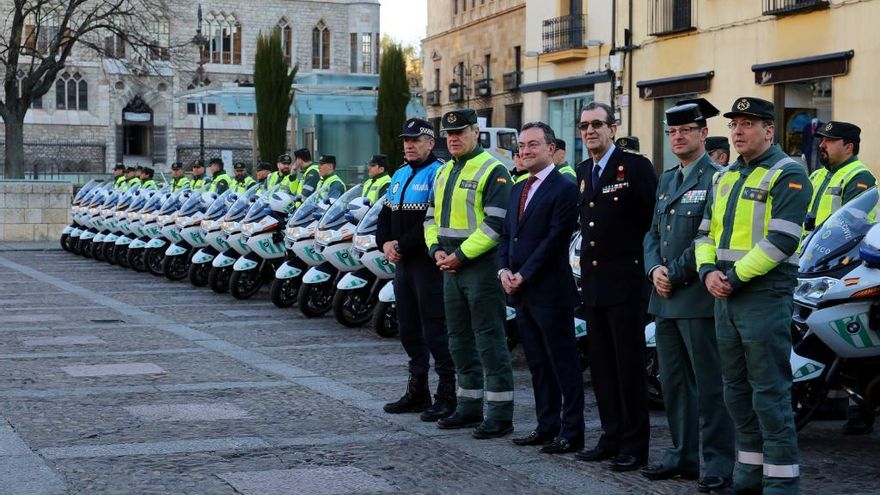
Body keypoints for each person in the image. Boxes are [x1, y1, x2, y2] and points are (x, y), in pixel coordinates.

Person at [695, 97, 811, 495]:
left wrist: (732, 278)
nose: (739, 131)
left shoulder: (789, 173)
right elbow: (704, 234)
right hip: (726, 294)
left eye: (748, 123)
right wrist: (708, 272)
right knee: (736, 390)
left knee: (769, 390)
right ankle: (748, 475)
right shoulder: (724, 176)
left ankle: (781, 482)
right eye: (735, 125)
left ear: (769, 130)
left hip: (763, 293)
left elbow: (782, 239)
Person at [642, 99, 735, 493]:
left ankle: (717, 462)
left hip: (696, 297)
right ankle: (682, 454)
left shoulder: (716, 178)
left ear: (702, 134)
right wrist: (653, 269)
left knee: (710, 386)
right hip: (664, 299)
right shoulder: (666, 180)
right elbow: (651, 234)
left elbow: (707, 238)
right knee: (674, 384)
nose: (678, 138)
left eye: (686, 131)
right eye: (672, 132)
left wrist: (672, 273)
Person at [574, 101, 656, 472]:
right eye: (584, 126)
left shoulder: (635, 167)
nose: (590, 131)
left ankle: (634, 445)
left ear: (613, 127)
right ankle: (610, 437)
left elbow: (649, 222)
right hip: (593, 286)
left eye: (597, 124)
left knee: (628, 368)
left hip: (625, 284)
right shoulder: (583, 170)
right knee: (602, 368)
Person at [424, 108, 515, 439]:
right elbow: (430, 218)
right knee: (459, 340)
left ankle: (501, 413)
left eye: (460, 132)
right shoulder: (444, 171)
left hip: (480, 268)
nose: (454, 139)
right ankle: (468, 406)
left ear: (476, 132)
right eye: (449, 135)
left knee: (489, 339)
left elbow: (495, 225)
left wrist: (459, 256)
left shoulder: (494, 169)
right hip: (450, 266)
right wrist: (436, 250)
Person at [500, 122, 584, 454]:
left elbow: (555, 239)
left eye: (533, 144)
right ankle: (546, 425)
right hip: (521, 292)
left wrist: (525, 274)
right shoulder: (518, 188)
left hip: (550, 291)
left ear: (550, 148)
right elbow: (508, 234)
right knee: (537, 363)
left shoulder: (564, 187)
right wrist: (504, 270)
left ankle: (571, 431)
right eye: (522, 145)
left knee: (563, 363)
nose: (526, 150)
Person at [377, 118, 456, 422]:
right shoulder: (398, 174)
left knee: (436, 330)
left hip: (427, 264)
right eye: (405, 140)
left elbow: (429, 221)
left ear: (430, 143)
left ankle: (447, 394)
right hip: (403, 266)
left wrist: (399, 246)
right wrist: (384, 242)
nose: (409, 145)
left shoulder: (439, 173)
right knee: (409, 329)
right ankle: (417, 390)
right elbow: (384, 214)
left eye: (415, 140)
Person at [805, 120, 876, 435]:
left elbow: (856, 224)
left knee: (850, 330)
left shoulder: (859, 177)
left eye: (830, 141)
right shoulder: (818, 175)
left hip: (843, 266)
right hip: (812, 263)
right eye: (822, 140)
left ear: (849, 145)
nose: (823, 145)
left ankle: (859, 406)